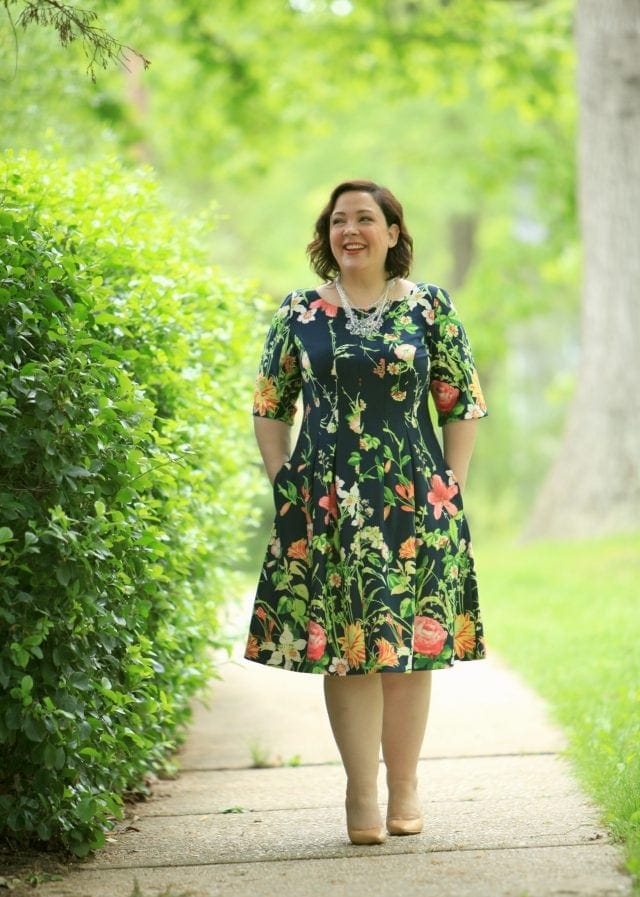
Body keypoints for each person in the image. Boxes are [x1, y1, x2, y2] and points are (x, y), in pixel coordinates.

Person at [245, 179, 488, 846]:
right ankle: (361, 789)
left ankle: (405, 784)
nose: (349, 229)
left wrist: (452, 487)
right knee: (345, 649)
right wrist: (284, 482)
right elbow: (270, 406)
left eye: (365, 219)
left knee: (409, 645)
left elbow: (461, 402)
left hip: (413, 496)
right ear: (327, 236)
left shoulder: (430, 308)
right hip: (325, 503)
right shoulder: (298, 312)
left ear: (391, 233)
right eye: (338, 220)